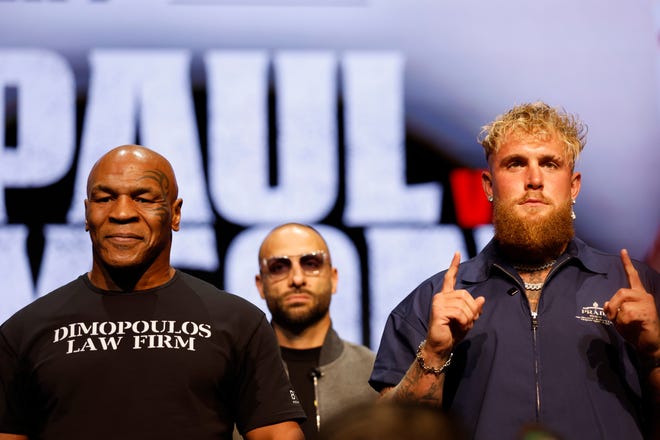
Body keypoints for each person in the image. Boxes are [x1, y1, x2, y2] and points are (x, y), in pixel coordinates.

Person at [369, 102, 660, 439]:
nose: (534, 180)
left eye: (550, 164)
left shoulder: (642, 292)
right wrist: (433, 354)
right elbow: (385, 434)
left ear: (574, 185)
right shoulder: (431, 302)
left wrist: (655, 356)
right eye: (516, 164)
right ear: (489, 186)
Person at [0, 145, 305, 440]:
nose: (121, 213)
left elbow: (275, 434)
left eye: (143, 199)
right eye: (104, 198)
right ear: (86, 212)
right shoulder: (24, 332)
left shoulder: (239, 323)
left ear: (175, 214)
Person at [254, 223, 378, 439]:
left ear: (333, 278)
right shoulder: (235, 375)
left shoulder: (374, 376)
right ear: (260, 285)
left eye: (311, 263)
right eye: (278, 267)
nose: (297, 279)